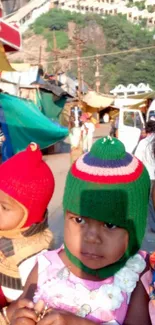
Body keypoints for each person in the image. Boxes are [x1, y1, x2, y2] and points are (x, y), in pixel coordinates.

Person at [4, 136, 151, 325]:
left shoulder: (135, 275)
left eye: (110, 225)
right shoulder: (44, 267)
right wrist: (19, 318)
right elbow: (20, 309)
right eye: (79, 220)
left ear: (135, 230)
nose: (90, 237)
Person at [0, 142, 55, 308]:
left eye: (4, 207)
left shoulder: (32, 257)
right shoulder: (8, 229)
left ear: (29, 215)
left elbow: (33, 304)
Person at [135, 120, 155, 232]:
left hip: (149, 177)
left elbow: (137, 160)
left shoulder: (144, 142)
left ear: (147, 131)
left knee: (151, 204)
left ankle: (153, 225)